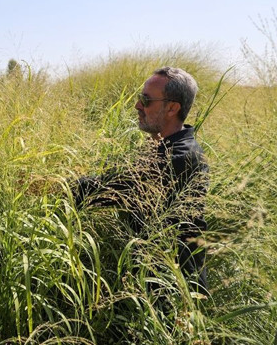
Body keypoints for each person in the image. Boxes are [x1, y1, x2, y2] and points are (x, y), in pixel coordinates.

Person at [73, 66, 209, 295]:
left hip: (172, 291)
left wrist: (46, 185)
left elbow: (103, 190)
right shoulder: (163, 147)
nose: (137, 106)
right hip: (151, 280)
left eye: (146, 100)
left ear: (172, 108)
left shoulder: (179, 157)